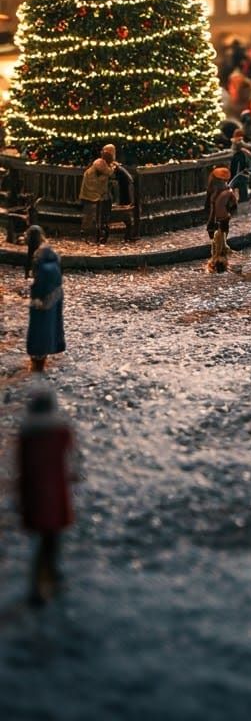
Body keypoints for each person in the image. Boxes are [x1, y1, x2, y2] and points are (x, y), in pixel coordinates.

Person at [17, 385, 78, 605]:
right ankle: (51, 575)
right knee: (52, 539)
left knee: (42, 541)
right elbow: (74, 461)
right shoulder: (60, 433)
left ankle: (39, 583)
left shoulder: (27, 437)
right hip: (56, 494)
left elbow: (22, 470)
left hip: (34, 495)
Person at [25, 228, 65, 374]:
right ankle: (41, 356)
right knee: (49, 326)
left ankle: (38, 361)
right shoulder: (50, 254)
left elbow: (43, 278)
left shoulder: (41, 257)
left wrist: (37, 300)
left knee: (40, 329)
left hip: (43, 297)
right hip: (54, 294)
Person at [78, 152, 113, 242]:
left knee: (95, 211)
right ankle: (86, 232)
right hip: (91, 192)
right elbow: (109, 172)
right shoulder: (100, 163)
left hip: (95, 192)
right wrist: (114, 167)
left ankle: (95, 230)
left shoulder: (102, 163)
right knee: (90, 212)